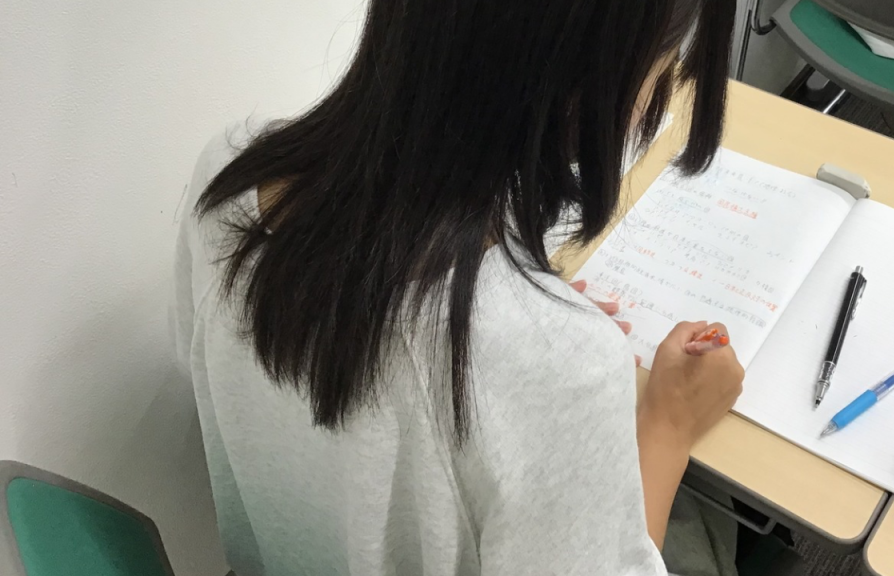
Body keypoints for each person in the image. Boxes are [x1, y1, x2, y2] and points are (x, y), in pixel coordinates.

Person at [173, 0, 742, 574]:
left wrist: (527, 318)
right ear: (587, 78)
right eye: (662, 66)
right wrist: (668, 426)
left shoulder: (227, 177)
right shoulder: (563, 367)